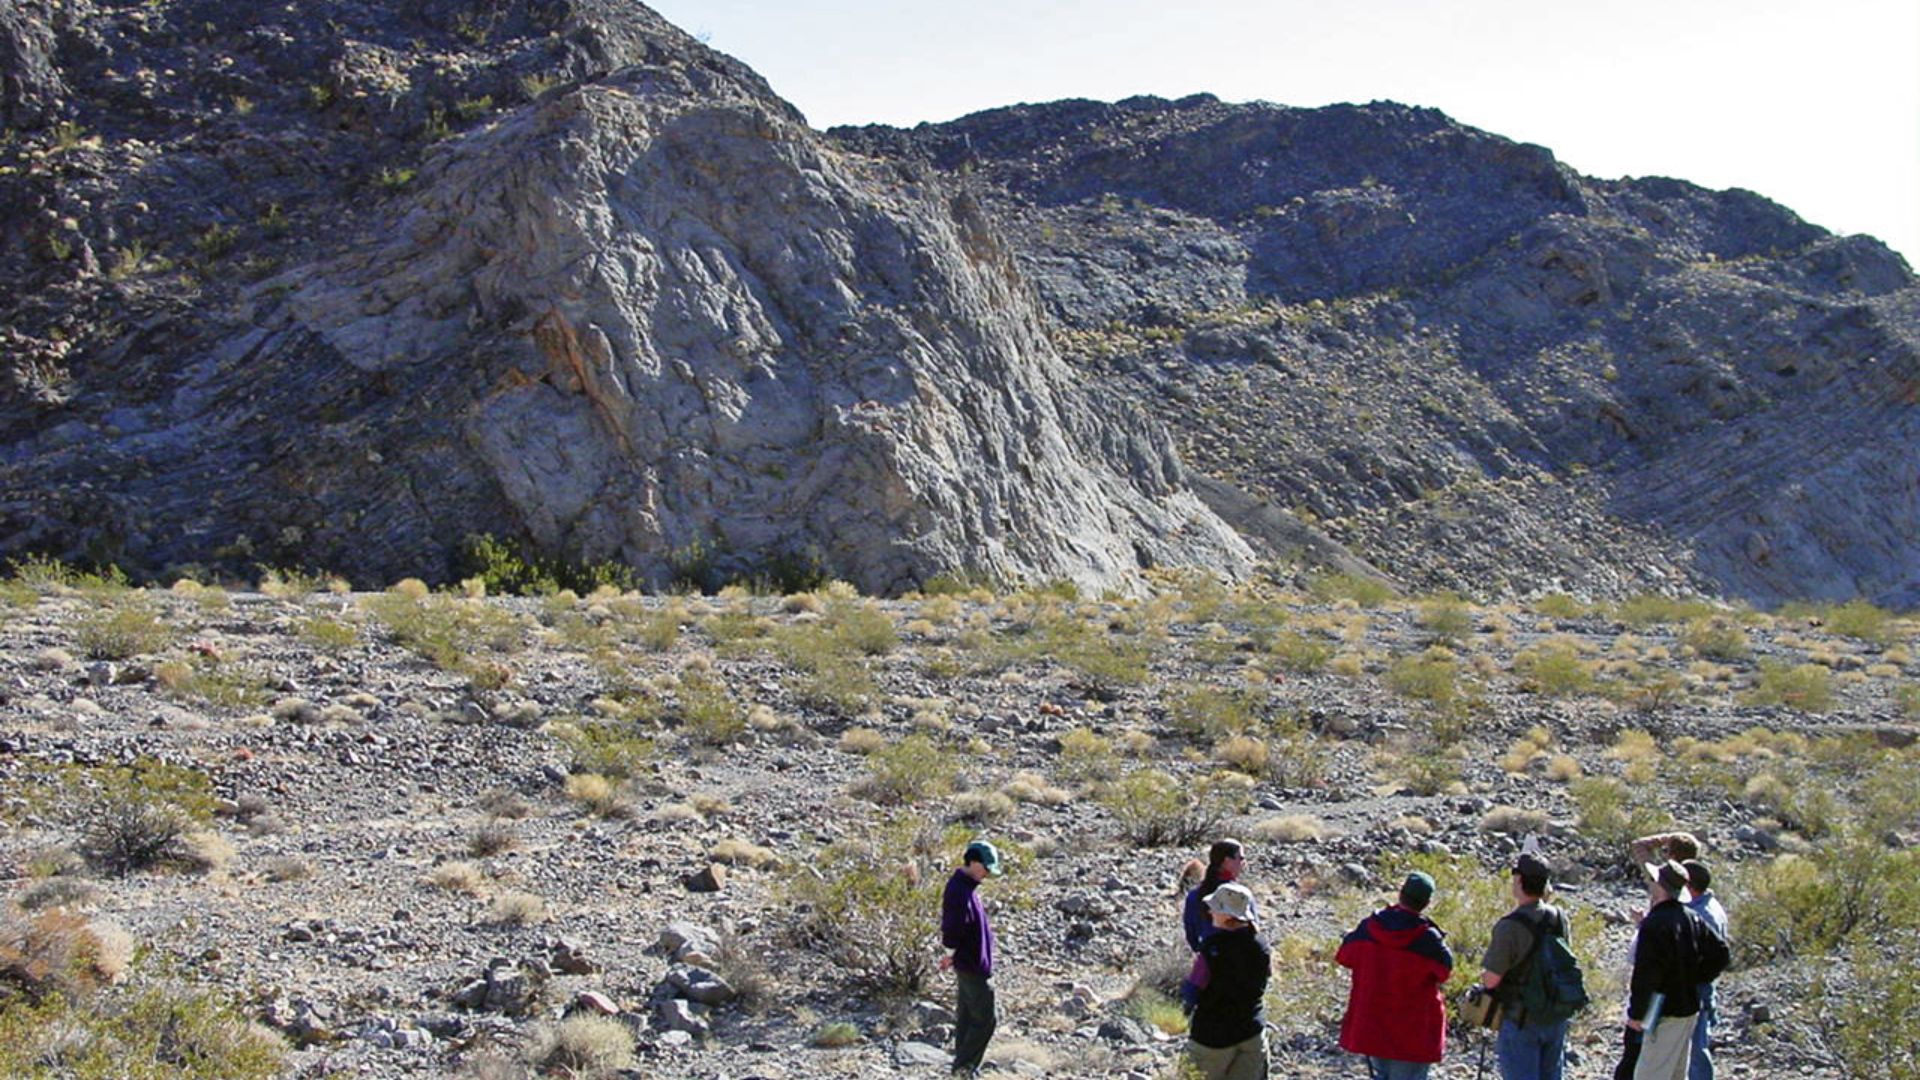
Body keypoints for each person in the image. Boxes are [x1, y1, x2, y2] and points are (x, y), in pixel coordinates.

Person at [1336, 871, 1454, 1080]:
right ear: (1426, 903)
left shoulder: (1370, 927)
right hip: (1413, 1034)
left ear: (1401, 894)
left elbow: (1345, 956)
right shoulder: (1428, 939)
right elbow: (1444, 972)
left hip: (1373, 1027)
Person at [1627, 861, 1728, 1080]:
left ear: (1660, 885)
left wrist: (1637, 1013)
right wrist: (1694, 977)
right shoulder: (1691, 916)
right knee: (1675, 1073)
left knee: (1650, 1073)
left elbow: (1646, 975)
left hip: (1663, 1011)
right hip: (1689, 1008)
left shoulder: (1654, 924)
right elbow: (1720, 953)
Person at [1482, 853, 1572, 1080]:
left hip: (1521, 1019)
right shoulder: (1560, 918)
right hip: (1555, 1016)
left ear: (1520, 882)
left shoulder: (1509, 926)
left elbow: (1492, 979)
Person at [1188, 881, 1272, 1080]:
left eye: (1215, 908)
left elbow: (1193, 990)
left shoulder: (1211, 949)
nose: (1210, 912)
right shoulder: (1261, 944)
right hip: (1252, 1032)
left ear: (1227, 915)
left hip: (1212, 1038)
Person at [941, 840, 1000, 1077]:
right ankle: (964, 1069)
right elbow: (952, 927)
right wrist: (949, 954)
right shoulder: (959, 889)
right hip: (971, 965)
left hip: (971, 963)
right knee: (986, 1019)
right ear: (973, 862)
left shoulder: (967, 886)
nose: (987, 873)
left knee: (966, 1017)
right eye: (985, 867)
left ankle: (962, 1069)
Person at [1181, 839, 1247, 1010]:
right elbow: (1252, 930)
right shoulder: (1240, 896)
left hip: (1206, 965)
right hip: (1239, 966)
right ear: (1227, 861)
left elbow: (1191, 934)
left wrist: (1203, 950)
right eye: (1240, 858)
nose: (1243, 863)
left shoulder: (1195, 895)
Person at [1681, 860, 1729, 1080]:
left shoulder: (1701, 914)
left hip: (1696, 988)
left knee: (1696, 1048)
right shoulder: (1711, 906)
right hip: (1704, 986)